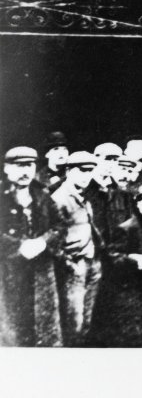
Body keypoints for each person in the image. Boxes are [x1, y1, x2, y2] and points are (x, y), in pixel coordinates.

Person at [0, 146, 63, 347]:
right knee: (12, 327)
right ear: (7, 168)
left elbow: (60, 226)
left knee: (44, 325)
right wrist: (19, 247)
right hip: (8, 271)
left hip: (41, 272)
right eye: (19, 166)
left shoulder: (43, 195)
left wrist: (42, 241)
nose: (25, 171)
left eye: (30, 166)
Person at [90, 183, 142, 347]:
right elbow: (112, 257)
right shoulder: (127, 228)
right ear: (138, 204)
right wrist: (133, 259)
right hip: (130, 295)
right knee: (133, 339)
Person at [50, 150, 103, 346]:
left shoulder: (83, 196)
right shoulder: (59, 198)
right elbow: (53, 236)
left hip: (91, 262)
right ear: (69, 171)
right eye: (82, 170)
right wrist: (68, 262)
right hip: (74, 265)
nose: (86, 176)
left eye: (90, 171)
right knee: (74, 320)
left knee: (87, 319)